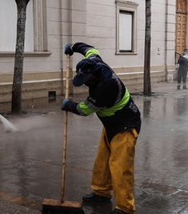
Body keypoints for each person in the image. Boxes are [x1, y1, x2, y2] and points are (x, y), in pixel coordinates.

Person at [61, 42, 142, 214]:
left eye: (85, 81)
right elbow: (89, 49)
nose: (84, 84)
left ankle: (125, 207)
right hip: (111, 123)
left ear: (93, 77)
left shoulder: (105, 88)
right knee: (102, 160)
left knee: (120, 166)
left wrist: (69, 105)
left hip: (126, 124)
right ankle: (101, 192)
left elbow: (84, 110)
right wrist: (74, 47)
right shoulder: (95, 62)